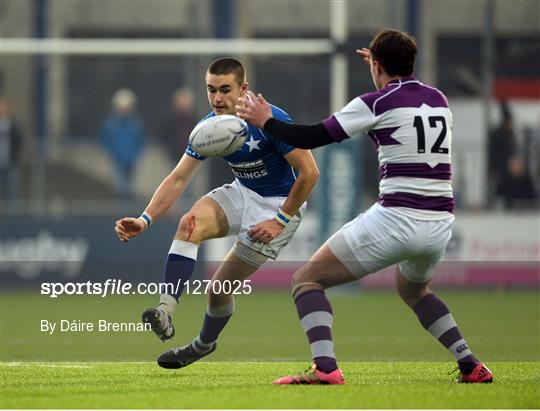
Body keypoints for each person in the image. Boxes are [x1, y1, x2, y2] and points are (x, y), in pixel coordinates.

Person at [237, 29, 492, 385]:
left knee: (306, 280)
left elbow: (311, 137)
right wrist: (380, 62)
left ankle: (325, 369)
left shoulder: (375, 102)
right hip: (440, 223)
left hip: (397, 218)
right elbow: (400, 114)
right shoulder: (438, 99)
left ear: (376, 64)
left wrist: (266, 120)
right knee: (413, 290)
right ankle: (471, 365)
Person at [114, 57, 319, 368]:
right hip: (241, 192)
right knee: (189, 224)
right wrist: (145, 219)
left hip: (279, 206)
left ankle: (203, 345)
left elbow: (310, 173)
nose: (218, 97)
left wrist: (280, 221)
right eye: (211, 90)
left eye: (225, 89)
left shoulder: (272, 121)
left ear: (244, 88)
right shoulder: (209, 128)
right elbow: (179, 178)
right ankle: (165, 311)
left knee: (217, 292)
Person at [100, 88, 146, 199]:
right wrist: (112, 153)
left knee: (129, 188)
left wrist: (136, 154)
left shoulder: (135, 123)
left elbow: (141, 139)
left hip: (131, 160)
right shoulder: (111, 123)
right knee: (121, 188)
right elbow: (104, 139)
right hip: (117, 160)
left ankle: (127, 211)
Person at [158, 88, 198, 166]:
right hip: (174, 156)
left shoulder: (194, 121)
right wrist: (169, 148)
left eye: (186, 105)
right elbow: (162, 135)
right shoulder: (170, 120)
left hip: (190, 157)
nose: (183, 108)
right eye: (181, 105)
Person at [0, 96, 24, 201]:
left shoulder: (14, 124)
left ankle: (11, 217)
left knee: (11, 194)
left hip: (10, 163)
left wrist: (15, 155)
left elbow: (19, 141)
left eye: (3, 105)